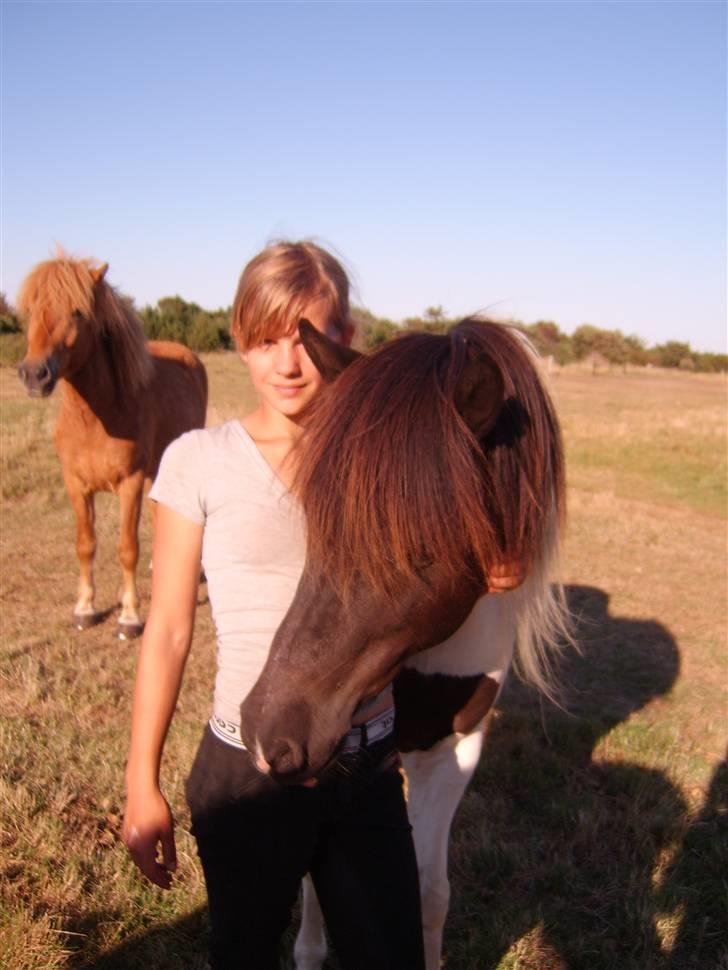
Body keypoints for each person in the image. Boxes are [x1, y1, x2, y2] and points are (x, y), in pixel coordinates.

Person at [122, 241, 425, 970]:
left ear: (345, 339)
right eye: (264, 341)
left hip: (365, 767)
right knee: (244, 953)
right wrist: (141, 783)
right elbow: (166, 629)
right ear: (239, 342)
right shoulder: (198, 459)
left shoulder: (385, 459)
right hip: (245, 771)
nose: (287, 364)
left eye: (306, 338)